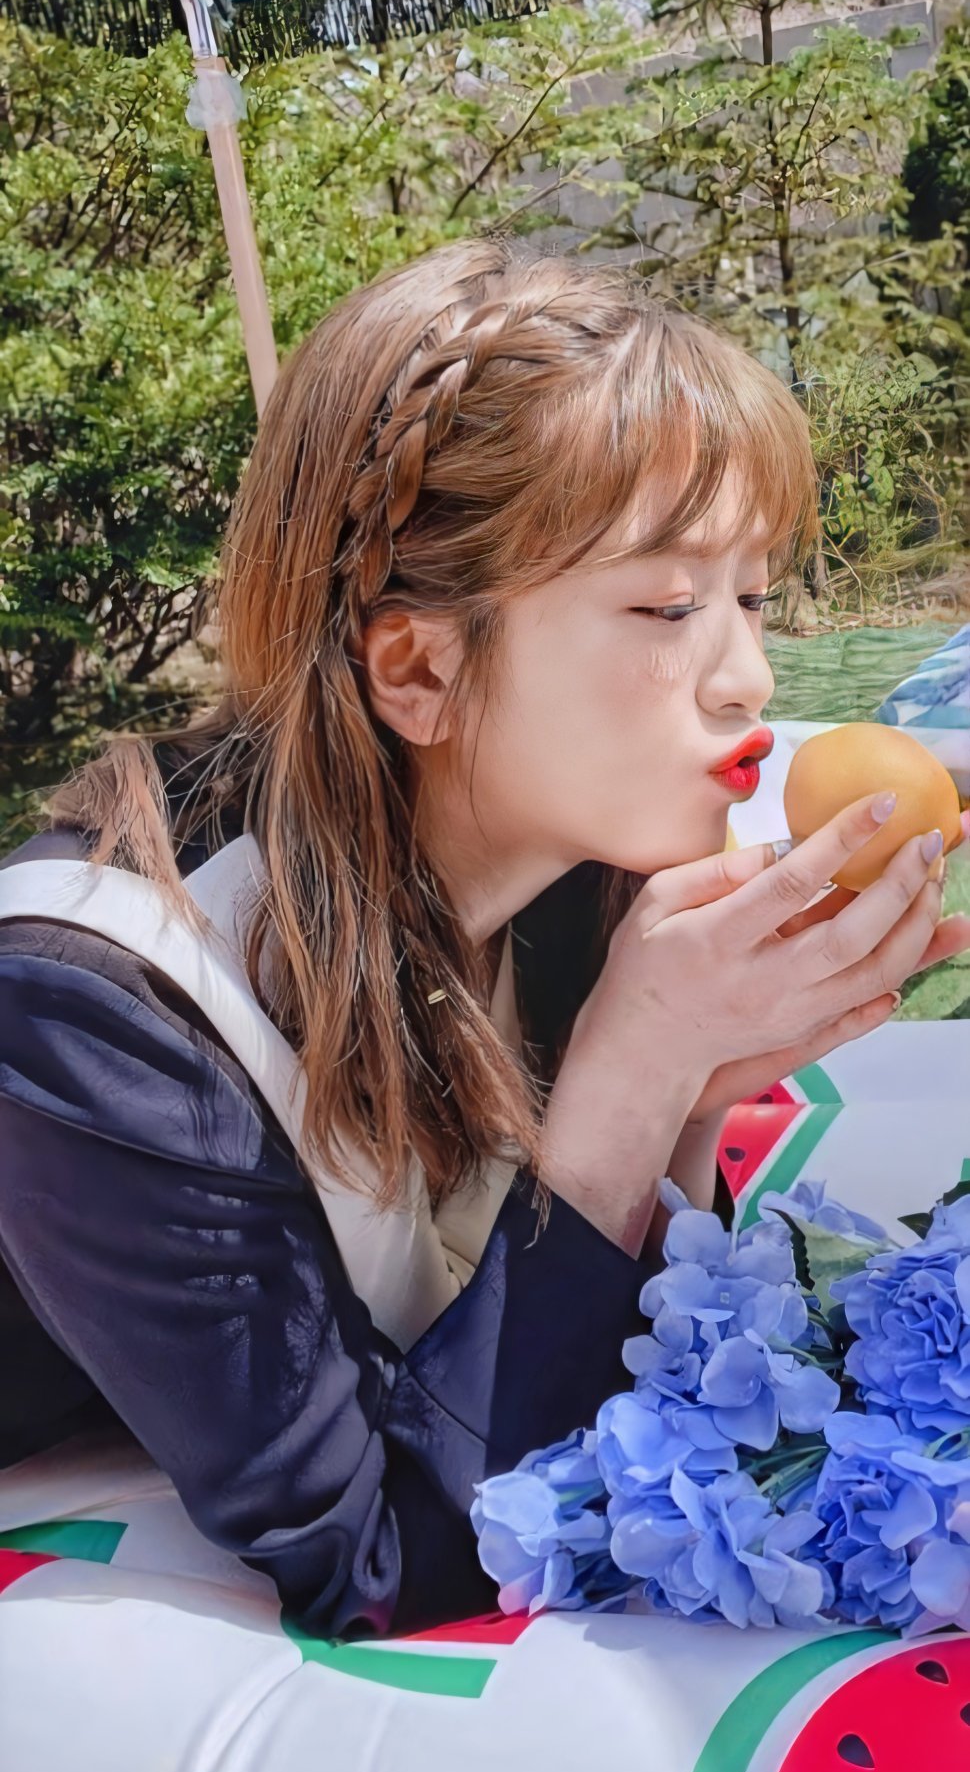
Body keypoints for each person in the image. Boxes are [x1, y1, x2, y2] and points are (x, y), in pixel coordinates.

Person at [1, 238, 967, 1640]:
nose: (749, 679)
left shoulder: (575, 868)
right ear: (418, 666)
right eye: (668, 608)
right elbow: (385, 1560)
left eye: (750, 597)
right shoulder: (100, 1007)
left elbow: (602, 1381)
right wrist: (628, 1086)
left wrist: (687, 1097)